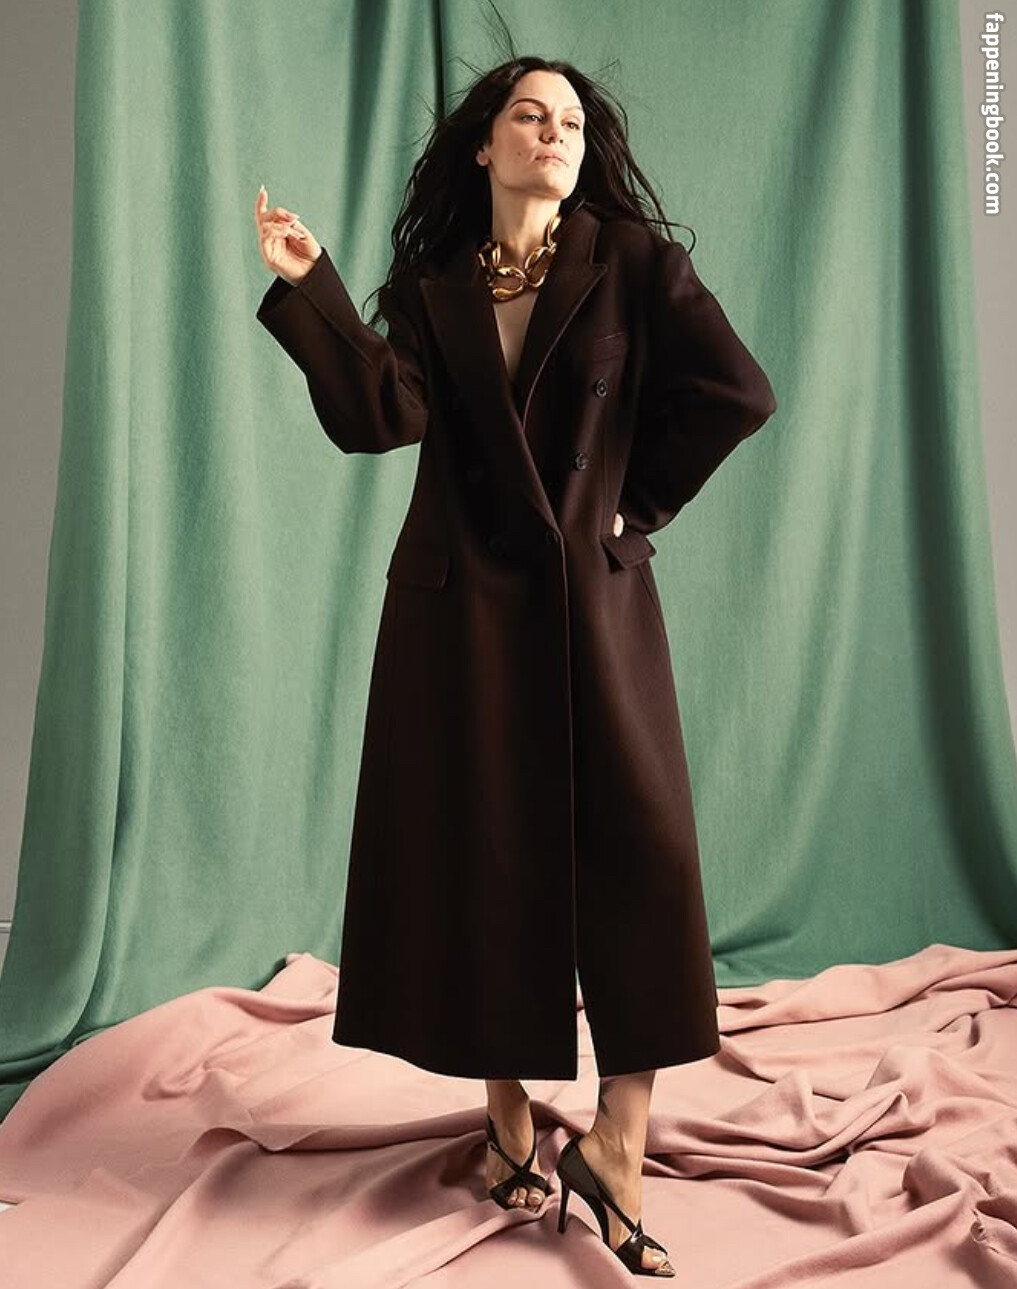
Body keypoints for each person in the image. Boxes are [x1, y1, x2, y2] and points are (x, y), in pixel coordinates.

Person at [254, 57, 776, 1280]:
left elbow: (737, 390)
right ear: (485, 146)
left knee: (645, 851)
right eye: (531, 116)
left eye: (573, 122)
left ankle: (620, 1143)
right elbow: (381, 415)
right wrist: (312, 284)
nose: (555, 132)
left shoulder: (632, 263)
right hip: (462, 610)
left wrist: (634, 503)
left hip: (593, 599)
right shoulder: (434, 286)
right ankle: (506, 1118)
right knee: (484, 851)